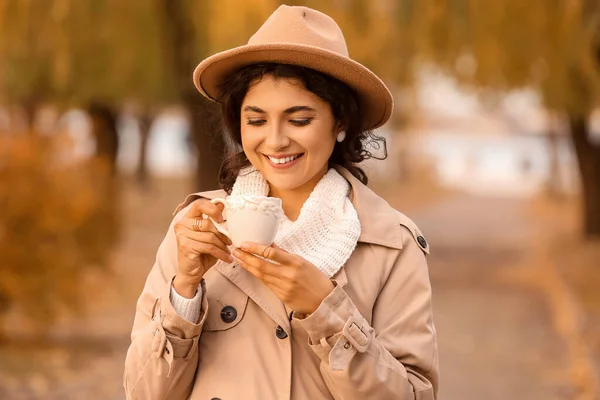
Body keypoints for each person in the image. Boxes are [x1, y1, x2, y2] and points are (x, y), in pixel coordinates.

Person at [123, 5, 438, 400]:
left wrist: (325, 310)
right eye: (255, 121)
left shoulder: (392, 244)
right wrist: (184, 290)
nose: (274, 141)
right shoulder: (197, 228)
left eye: (299, 120)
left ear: (340, 122)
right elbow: (145, 394)